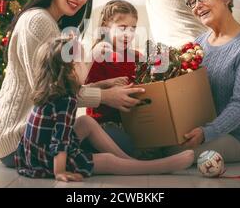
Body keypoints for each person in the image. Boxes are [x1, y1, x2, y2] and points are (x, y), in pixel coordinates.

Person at [0, 0, 144, 168]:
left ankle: (134, 164)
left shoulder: (52, 24)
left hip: (20, 133)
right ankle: (140, 166)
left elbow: (61, 89)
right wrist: (106, 96)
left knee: (117, 142)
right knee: (119, 144)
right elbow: (49, 93)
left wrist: (99, 88)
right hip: (18, 138)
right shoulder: (38, 22)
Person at [15, 37, 195, 182]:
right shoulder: (66, 101)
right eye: (82, 62)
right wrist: (60, 172)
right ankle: (155, 167)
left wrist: (103, 84)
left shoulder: (55, 89)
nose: (87, 64)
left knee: (85, 121)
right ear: (71, 70)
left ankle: (128, 162)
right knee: (107, 161)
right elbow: (59, 140)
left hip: (33, 154)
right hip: (48, 161)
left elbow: (82, 92)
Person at [163, 0, 240, 163]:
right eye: (192, 2)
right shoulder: (200, 42)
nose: (197, 6)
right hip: (198, 128)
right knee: (153, 141)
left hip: (234, 138)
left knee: (172, 151)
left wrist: (207, 132)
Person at [85, 0, 141, 156]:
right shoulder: (98, 55)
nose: (128, 34)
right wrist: (106, 85)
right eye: (122, 28)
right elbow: (84, 90)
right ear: (106, 26)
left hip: (133, 121)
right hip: (103, 124)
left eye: (133, 29)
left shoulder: (137, 56)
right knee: (130, 149)